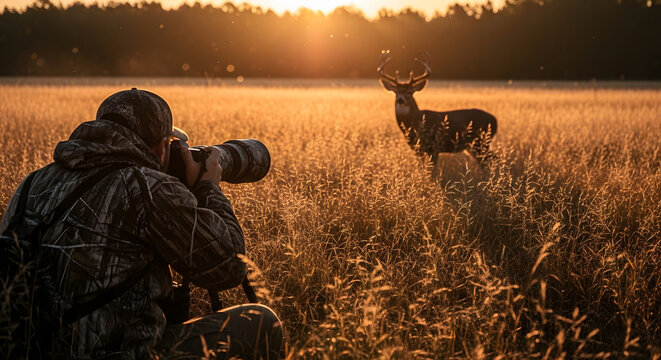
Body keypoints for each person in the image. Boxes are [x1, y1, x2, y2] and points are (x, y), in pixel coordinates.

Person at [0, 88, 283, 359]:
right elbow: (229, 268)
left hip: (28, 349)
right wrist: (207, 187)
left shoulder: (32, 183)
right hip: (118, 353)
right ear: (162, 145)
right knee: (261, 323)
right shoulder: (145, 186)